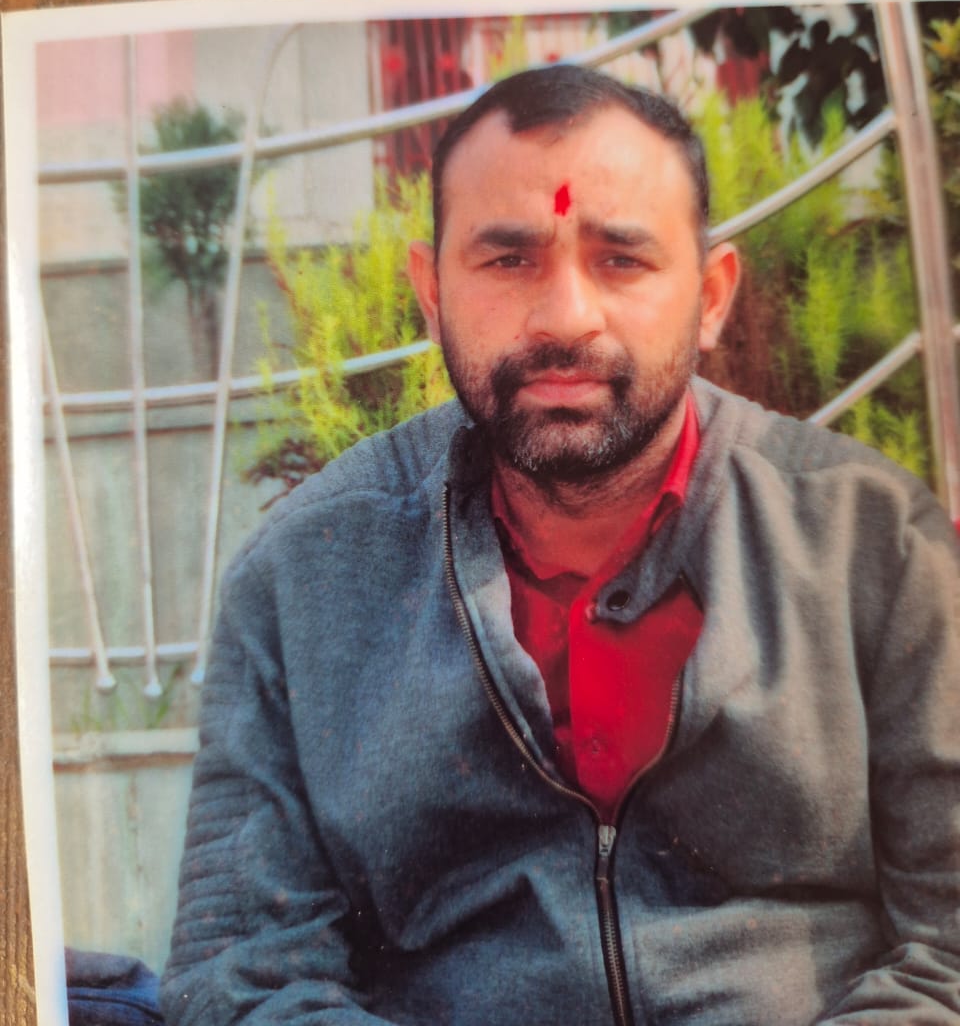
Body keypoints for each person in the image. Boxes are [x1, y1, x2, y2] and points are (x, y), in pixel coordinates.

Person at [161, 64, 960, 1025]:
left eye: (621, 259)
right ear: (431, 292)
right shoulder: (304, 578)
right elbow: (240, 972)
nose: (566, 316)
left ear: (711, 297)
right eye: (509, 260)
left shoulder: (871, 543)